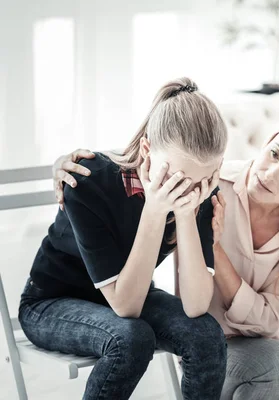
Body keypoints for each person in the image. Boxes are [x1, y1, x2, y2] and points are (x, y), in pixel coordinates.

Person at [52, 114, 279, 399]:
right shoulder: (210, 184)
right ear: (267, 142)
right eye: (275, 154)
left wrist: (215, 248)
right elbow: (152, 156)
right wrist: (72, 162)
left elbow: (266, 324)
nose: (270, 173)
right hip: (222, 341)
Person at [19, 77, 229, 399]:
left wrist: (187, 214)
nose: (188, 190)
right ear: (147, 150)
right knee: (131, 338)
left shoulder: (198, 190)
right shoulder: (87, 180)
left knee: (206, 334)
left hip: (132, 294)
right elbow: (127, 307)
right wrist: (156, 211)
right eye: (178, 179)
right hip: (52, 303)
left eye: (203, 180)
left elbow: (196, 305)